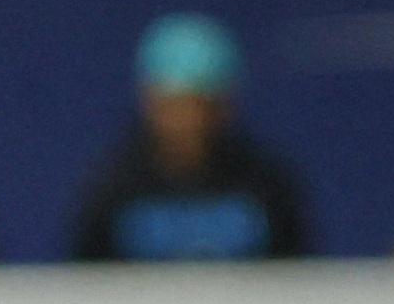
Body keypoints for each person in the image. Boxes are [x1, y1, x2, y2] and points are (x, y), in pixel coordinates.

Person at [68, 13, 313, 262]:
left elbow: (295, 278)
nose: (189, 120)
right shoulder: (113, 188)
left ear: (226, 105)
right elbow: (87, 282)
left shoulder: (266, 185)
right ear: (149, 102)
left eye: (202, 105)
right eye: (174, 105)